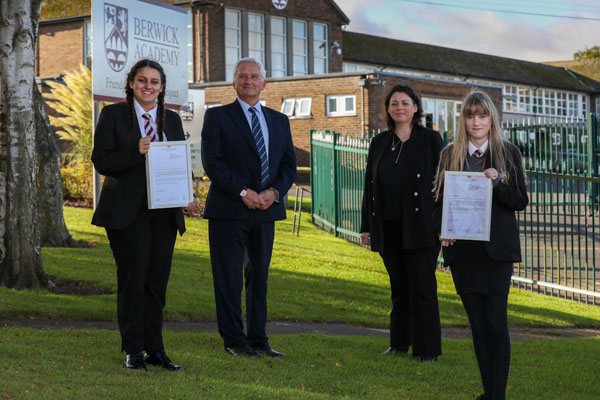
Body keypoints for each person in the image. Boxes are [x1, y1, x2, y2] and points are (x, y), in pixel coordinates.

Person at [91, 59, 197, 372]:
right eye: (142, 81)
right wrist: (135, 150)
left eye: (154, 82)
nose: (148, 86)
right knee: (133, 280)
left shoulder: (173, 120)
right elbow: (102, 161)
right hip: (128, 213)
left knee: (156, 284)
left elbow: (177, 163)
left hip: (164, 213)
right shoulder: (113, 115)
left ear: (162, 87)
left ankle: (156, 349)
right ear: (131, 84)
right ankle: (133, 349)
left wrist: (186, 195)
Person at [433, 90, 528, 400]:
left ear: (492, 119)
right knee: (477, 325)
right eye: (470, 116)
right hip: (464, 254)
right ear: (463, 120)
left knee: (496, 324)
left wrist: (499, 182)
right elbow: (439, 201)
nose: (476, 121)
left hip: (497, 253)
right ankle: (489, 393)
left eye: (482, 115)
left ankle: (497, 395)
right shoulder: (450, 153)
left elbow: (519, 201)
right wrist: (442, 230)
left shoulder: (508, 152)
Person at [201, 57, 296, 358]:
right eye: (242, 76)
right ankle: (233, 340)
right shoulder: (217, 117)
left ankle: (258, 339)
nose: (248, 81)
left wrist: (274, 192)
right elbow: (212, 162)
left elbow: (288, 166)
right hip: (229, 210)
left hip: (266, 210)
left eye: (255, 76)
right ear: (234, 82)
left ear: (264, 82)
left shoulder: (279, 121)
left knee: (259, 278)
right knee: (228, 278)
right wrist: (243, 191)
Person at [360, 85, 443, 361]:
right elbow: (369, 187)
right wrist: (366, 226)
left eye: (405, 103)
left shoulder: (431, 140)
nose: (399, 108)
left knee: (422, 288)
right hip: (388, 227)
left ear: (416, 107)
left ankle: (427, 349)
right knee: (399, 288)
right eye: (394, 103)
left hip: (422, 228)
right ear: (388, 109)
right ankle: (398, 343)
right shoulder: (379, 142)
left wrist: (444, 225)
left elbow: (443, 185)